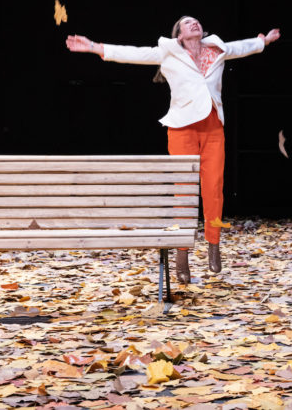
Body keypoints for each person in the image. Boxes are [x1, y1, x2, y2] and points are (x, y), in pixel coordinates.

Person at [67, 16, 280, 284]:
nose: (194, 23)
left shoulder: (217, 48)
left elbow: (241, 47)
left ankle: (213, 245)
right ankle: (182, 254)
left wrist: (263, 41)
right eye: (187, 22)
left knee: (214, 188)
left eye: (196, 21)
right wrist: (94, 47)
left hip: (213, 128)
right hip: (182, 129)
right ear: (179, 34)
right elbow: (134, 54)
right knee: (185, 192)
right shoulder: (169, 53)